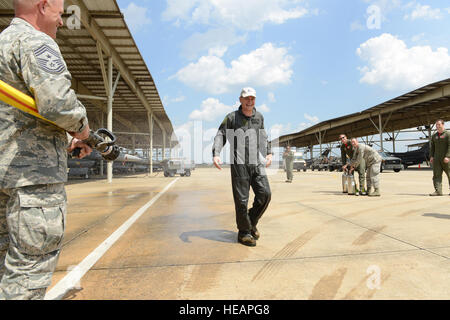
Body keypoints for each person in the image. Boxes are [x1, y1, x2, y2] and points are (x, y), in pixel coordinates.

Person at [0, 0, 92, 300]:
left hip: (5, 177)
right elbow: (58, 104)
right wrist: (83, 129)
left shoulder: (3, 43)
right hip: (32, 183)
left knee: (5, 267)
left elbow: (17, 118)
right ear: (43, 6)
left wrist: (66, 143)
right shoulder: (36, 42)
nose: (62, 22)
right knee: (28, 270)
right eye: (60, 13)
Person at [212, 87, 272, 247]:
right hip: (239, 164)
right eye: (246, 98)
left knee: (265, 194)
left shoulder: (259, 117)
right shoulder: (232, 117)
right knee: (241, 201)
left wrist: (268, 152)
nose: (249, 101)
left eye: (252, 98)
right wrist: (216, 153)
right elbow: (220, 135)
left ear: (255, 100)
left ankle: (250, 222)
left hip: (256, 163)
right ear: (240, 99)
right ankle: (244, 233)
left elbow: (263, 136)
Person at [429, 119, 450, 196]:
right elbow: (432, 147)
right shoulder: (434, 136)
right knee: (436, 175)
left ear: (443, 125)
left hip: (446, 159)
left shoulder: (448, 134)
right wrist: (431, 156)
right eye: (436, 125)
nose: (437, 126)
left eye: (439, 125)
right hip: (436, 159)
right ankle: (438, 191)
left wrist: (448, 156)